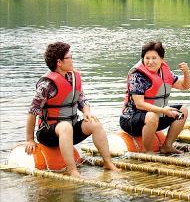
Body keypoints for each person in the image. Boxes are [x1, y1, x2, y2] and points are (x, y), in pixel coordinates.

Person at [24, 42, 120, 178]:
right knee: (65, 127)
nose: (73, 60)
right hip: (48, 132)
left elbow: (82, 100)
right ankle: (72, 170)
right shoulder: (46, 85)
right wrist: (29, 139)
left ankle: (108, 162)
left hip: (70, 129)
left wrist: (86, 113)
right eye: (70, 57)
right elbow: (32, 112)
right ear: (59, 62)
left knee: (95, 123)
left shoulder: (73, 78)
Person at [120, 41, 190, 154]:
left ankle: (167, 146)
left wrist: (186, 73)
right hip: (132, 120)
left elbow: (184, 86)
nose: (150, 62)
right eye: (147, 58)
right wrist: (163, 110)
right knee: (152, 116)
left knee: (182, 111)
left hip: (156, 117)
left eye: (154, 58)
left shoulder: (165, 72)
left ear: (161, 59)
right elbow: (140, 104)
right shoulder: (137, 75)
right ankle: (147, 150)